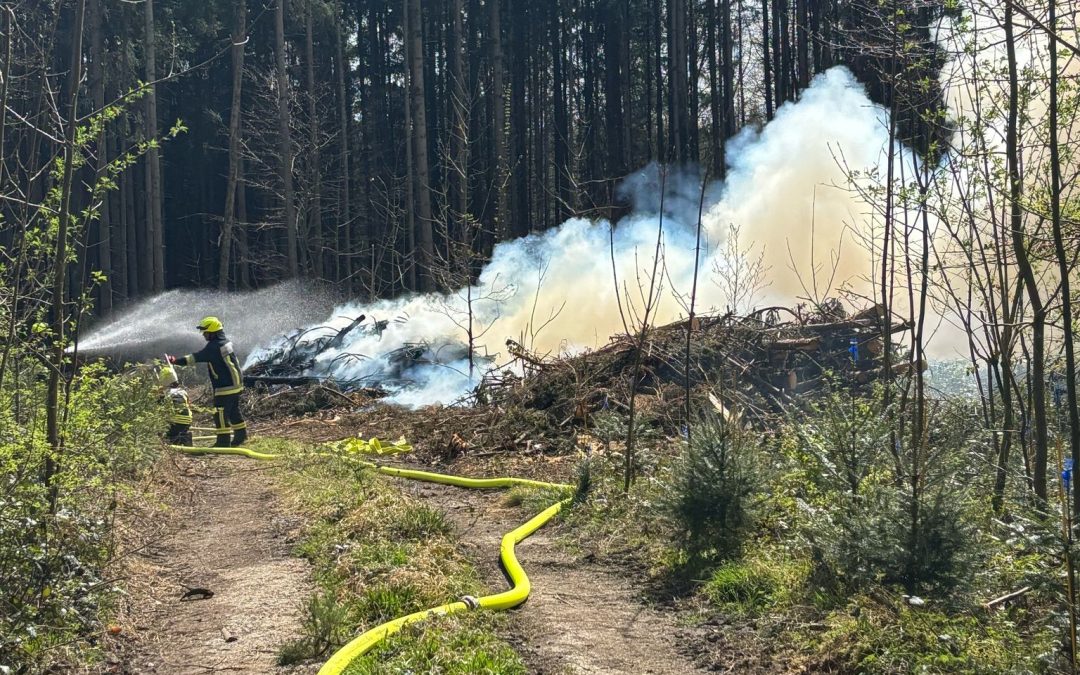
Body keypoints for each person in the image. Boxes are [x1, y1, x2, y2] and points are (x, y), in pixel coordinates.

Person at [168, 316, 248, 447]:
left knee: (220, 413)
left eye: (205, 332)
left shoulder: (214, 347)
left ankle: (223, 442)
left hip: (225, 386)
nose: (203, 335)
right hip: (236, 383)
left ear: (213, 332)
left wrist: (176, 361)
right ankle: (241, 436)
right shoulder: (225, 342)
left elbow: (195, 358)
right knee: (234, 411)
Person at [159, 364, 193, 446]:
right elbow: (189, 404)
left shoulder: (166, 393)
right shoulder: (183, 392)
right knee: (179, 432)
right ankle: (184, 436)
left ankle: (180, 439)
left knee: (168, 437)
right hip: (188, 421)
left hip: (175, 422)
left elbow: (161, 408)